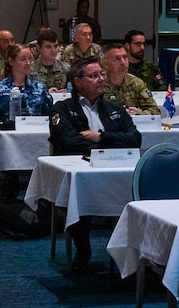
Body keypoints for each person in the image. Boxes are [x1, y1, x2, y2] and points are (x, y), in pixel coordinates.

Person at [51, 59, 141, 270]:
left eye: (101, 74)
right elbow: (67, 142)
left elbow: (135, 139)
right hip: (82, 169)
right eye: (93, 76)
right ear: (78, 82)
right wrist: (110, 143)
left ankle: (133, 253)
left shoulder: (114, 109)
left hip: (116, 167)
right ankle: (83, 249)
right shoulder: (62, 109)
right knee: (81, 191)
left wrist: (101, 138)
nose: (100, 79)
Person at [0, 44, 53, 121]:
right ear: (11, 62)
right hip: (6, 132)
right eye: (23, 59)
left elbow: (48, 118)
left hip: (34, 131)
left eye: (30, 59)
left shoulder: (40, 88)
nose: (28, 63)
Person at [103, 44, 160, 114]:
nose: (123, 62)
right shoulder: (98, 84)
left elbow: (155, 111)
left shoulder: (136, 83)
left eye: (125, 57)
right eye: (117, 59)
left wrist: (139, 114)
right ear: (106, 64)